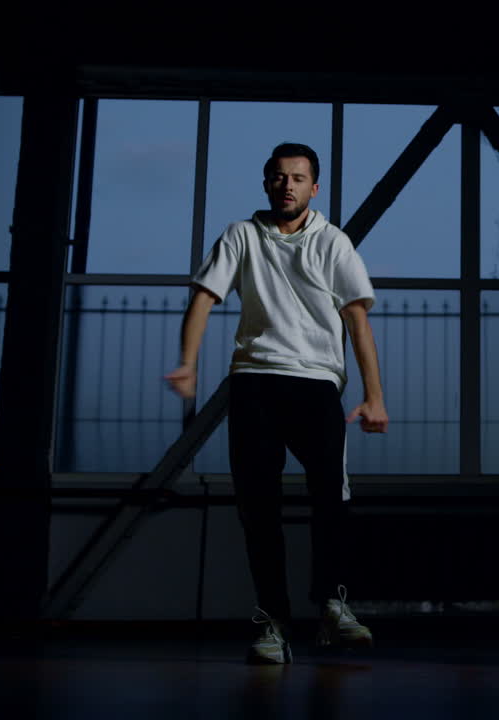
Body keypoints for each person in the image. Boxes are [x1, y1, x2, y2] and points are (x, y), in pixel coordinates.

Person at [165, 142, 389, 664]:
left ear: (314, 187)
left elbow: (357, 320)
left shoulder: (333, 242)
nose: (287, 184)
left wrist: (374, 395)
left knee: (330, 498)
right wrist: (188, 362)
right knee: (258, 509)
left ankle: (333, 607)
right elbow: (203, 297)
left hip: (315, 385)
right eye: (278, 176)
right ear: (266, 183)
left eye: (298, 177)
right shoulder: (242, 236)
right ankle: (272, 622)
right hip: (255, 383)